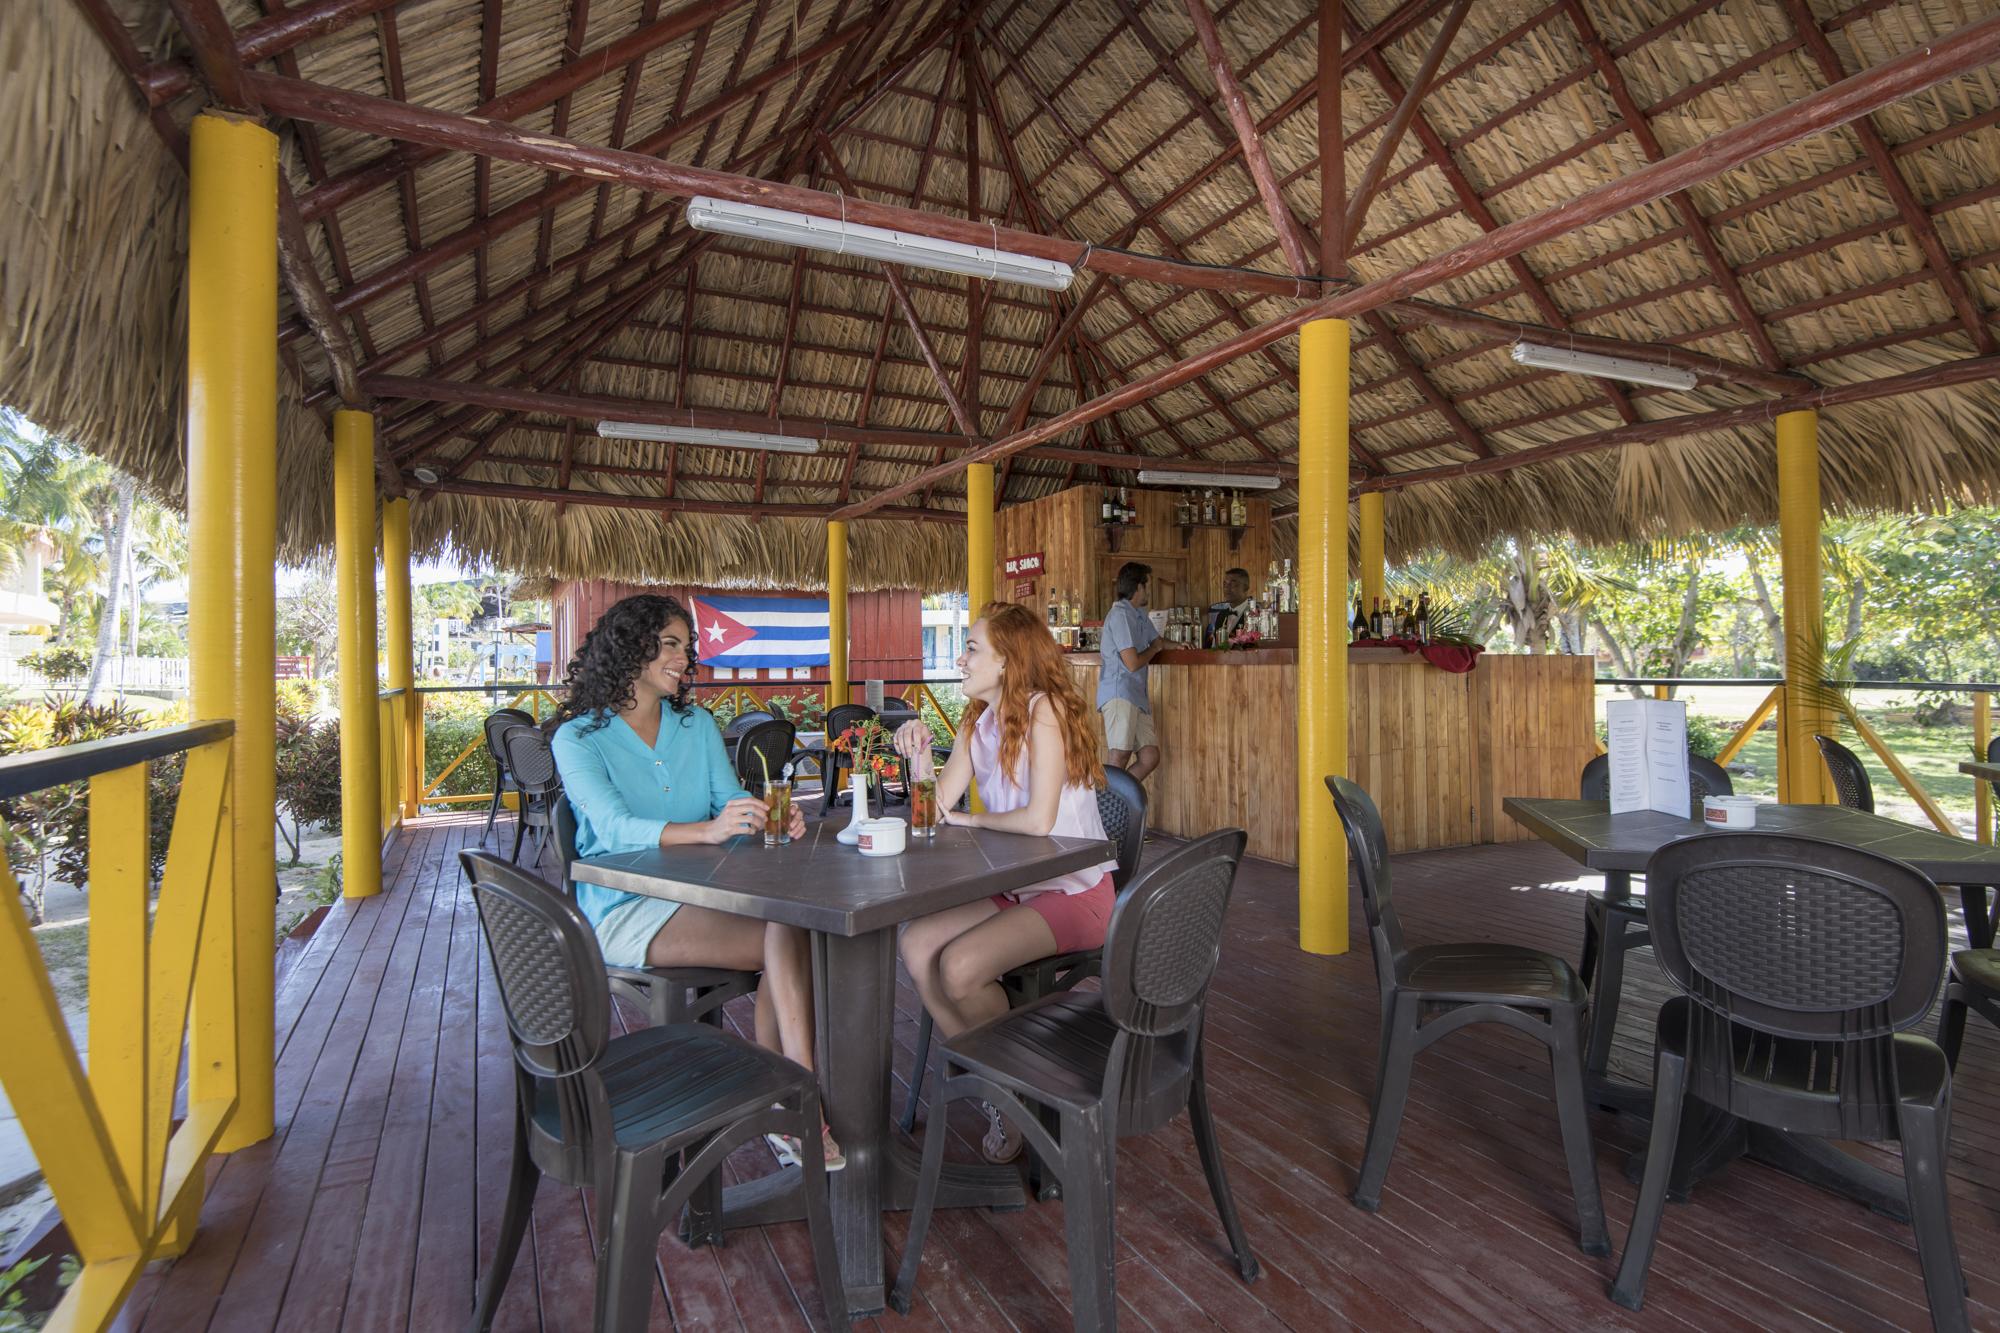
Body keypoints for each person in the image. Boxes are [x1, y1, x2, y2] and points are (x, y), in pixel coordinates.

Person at [550, 593, 840, 1169]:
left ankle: (787, 1103)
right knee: (785, 934)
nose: (685, 659)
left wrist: (754, 813)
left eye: (688, 647)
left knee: (789, 927)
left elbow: (726, 797)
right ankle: (801, 1103)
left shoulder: (695, 724)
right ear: (630, 649)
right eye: (671, 645)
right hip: (624, 907)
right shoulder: (577, 738)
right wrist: (708, 832)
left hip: (700, 894)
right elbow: (610, 826)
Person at [891, 602, 1118, 1163]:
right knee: (916, 943)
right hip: (1020, 886)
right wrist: (919, 756)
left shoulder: (1044, 711)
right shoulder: (977, 720)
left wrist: (971, 819)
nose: (960, 658)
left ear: (1007, 662)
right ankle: (998, 1087)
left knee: (960, 966)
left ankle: (1015, 1089)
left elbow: (1039, 821)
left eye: (971, 648)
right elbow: (937, 807)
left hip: (1076, 891)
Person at [1098, 560, 1163, 782]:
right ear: (1138, 587)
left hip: (1136, 695)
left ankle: (1120, 799)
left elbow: (1158, 641)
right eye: (1148, 586)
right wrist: (1155, 649)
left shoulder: (1139, 613)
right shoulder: (1120, 615)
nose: (1149, 592)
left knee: (1150, 756)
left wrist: (1178, 645)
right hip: (1120, 693)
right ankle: (1106, 811)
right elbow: (1133, 662)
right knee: (1119, 757)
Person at [1206, 566, 1255, 648]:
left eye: (1233, 584)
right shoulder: (1221, 615)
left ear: (1246, 587)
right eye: (1225, 584)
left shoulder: (1254, 614)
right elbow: (1215, 647)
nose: (1227, 588)